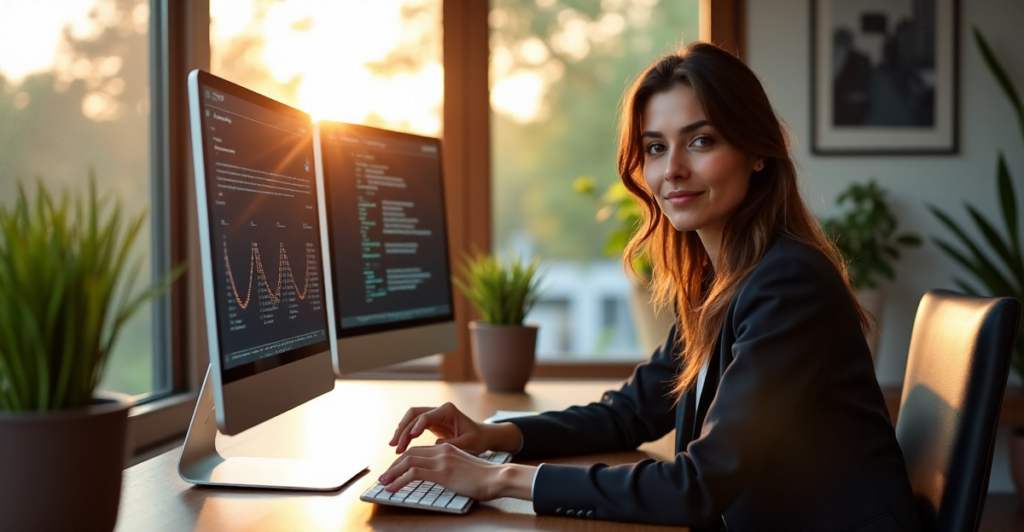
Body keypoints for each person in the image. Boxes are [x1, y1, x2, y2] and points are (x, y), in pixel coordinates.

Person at [377, 42, 920, 532]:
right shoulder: (719, 279)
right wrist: (493, 437)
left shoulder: (788, 283)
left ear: (758, 153)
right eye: (656, 148)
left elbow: (697, 486)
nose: (672, 170)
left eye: (701, 141)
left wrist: (497, 479)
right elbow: (631, 412)